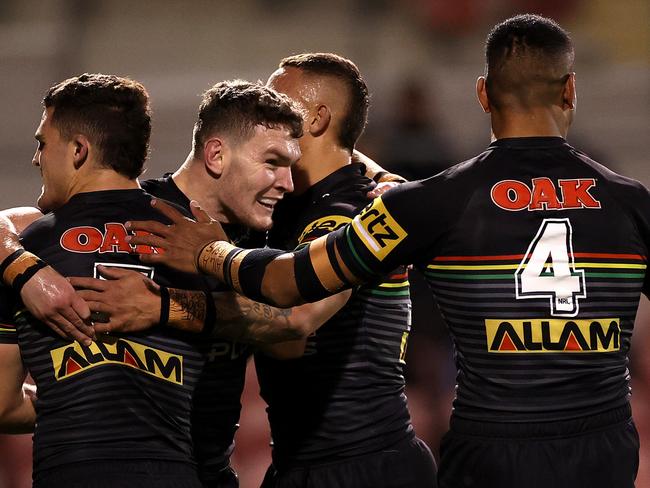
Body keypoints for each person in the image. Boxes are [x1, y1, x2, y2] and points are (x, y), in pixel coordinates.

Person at [129, 15, 646, 488]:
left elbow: (292, 304)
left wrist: (207, 257)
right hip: (602, 448)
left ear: (483, 94)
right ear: (571, 89)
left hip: (447, 457)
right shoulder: (631, 201)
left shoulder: (424, 204)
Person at [0, 77, 351, 487]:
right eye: (273, 163)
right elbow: (11, 224)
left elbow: (291, 328)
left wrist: (164, 305)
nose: (287, 184)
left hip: (206, 472)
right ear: (217, 154)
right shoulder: (140, 214)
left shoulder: (264, 245)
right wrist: (22, 267)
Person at [0, 73, 218, 488]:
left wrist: (74, 395)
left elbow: (2, 404)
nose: (36, 158)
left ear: (79, 150)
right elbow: (277, 327)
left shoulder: (26, 248)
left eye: (43, 143)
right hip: (175, 474)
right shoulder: (196, 241)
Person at [254, 53, 436, 487]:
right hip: (308, 462)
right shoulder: (302, 201)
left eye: (276, 105)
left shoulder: (349, 212)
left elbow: (291, 329)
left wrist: (175, 305)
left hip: (359, 466)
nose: (261, 119)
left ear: (316, 119)